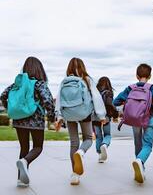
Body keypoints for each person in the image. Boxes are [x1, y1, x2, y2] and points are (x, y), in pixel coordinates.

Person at [0, 57, 55, 187]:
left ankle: (21, 180)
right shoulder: (39, 83)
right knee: (37, 147)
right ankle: (25, 162)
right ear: (39, 69)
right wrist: (52, 116)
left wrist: (9, 108)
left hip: (19, 120)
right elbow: (48, 100)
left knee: (24, 148)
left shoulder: (17, 84)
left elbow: (3, 95)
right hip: (36, 120)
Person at [113, 63, 153, 183]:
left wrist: (127, 102)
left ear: (136, 75)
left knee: (138, 144)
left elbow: (116, 101)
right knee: (147, 145)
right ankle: (140, 161)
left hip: (134, 119)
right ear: (149, 76)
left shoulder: (130, 88)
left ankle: (140, 167)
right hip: (149, 119)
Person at [55, 58, 106, 185]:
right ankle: (81, 152)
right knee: (88, 138)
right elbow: (96, 97)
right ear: (83, 67)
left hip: (69, 114)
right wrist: (101, 115)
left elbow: (59, 100)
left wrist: (59, 117)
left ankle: (74, 175)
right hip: (84, 113)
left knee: (73, 142)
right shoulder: (87, 80)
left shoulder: (64, 82)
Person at [93, 76, 119, 163]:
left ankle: (100, 155)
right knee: (107, 134)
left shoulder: (95, 93)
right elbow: (109, 104)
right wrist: (115, 113)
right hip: (105, 117)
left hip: (95, 117)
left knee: (98, 136)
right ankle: (104, 145)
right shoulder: (108, 93)